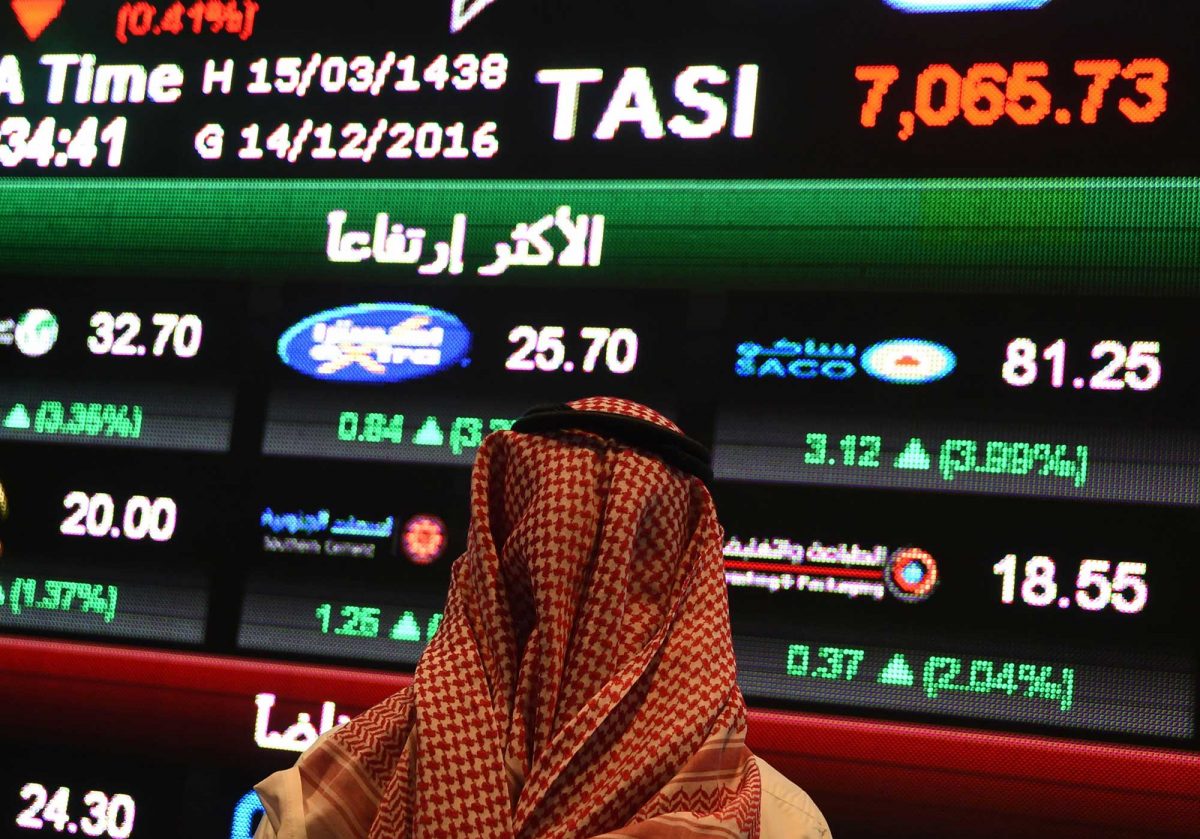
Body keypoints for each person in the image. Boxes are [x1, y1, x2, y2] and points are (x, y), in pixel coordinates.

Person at [254, 397, 830, 838]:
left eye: (622, 570)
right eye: (556, 552)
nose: (578, 605)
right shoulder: (777, 821)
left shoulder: (330, 789)